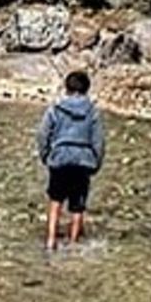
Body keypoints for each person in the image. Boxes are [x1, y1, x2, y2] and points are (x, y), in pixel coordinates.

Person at [37, 69, 105, 252]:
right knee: (77, 206)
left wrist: (45, 156)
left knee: (55, 200)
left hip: (59, 159)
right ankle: (73, 243)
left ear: (66, 88)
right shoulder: (93, 112)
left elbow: (43, 134)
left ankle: (51, 241)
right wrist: (96, 163)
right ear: (87, 89)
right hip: (83, 161)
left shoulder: (55, 109)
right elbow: (98, 140)